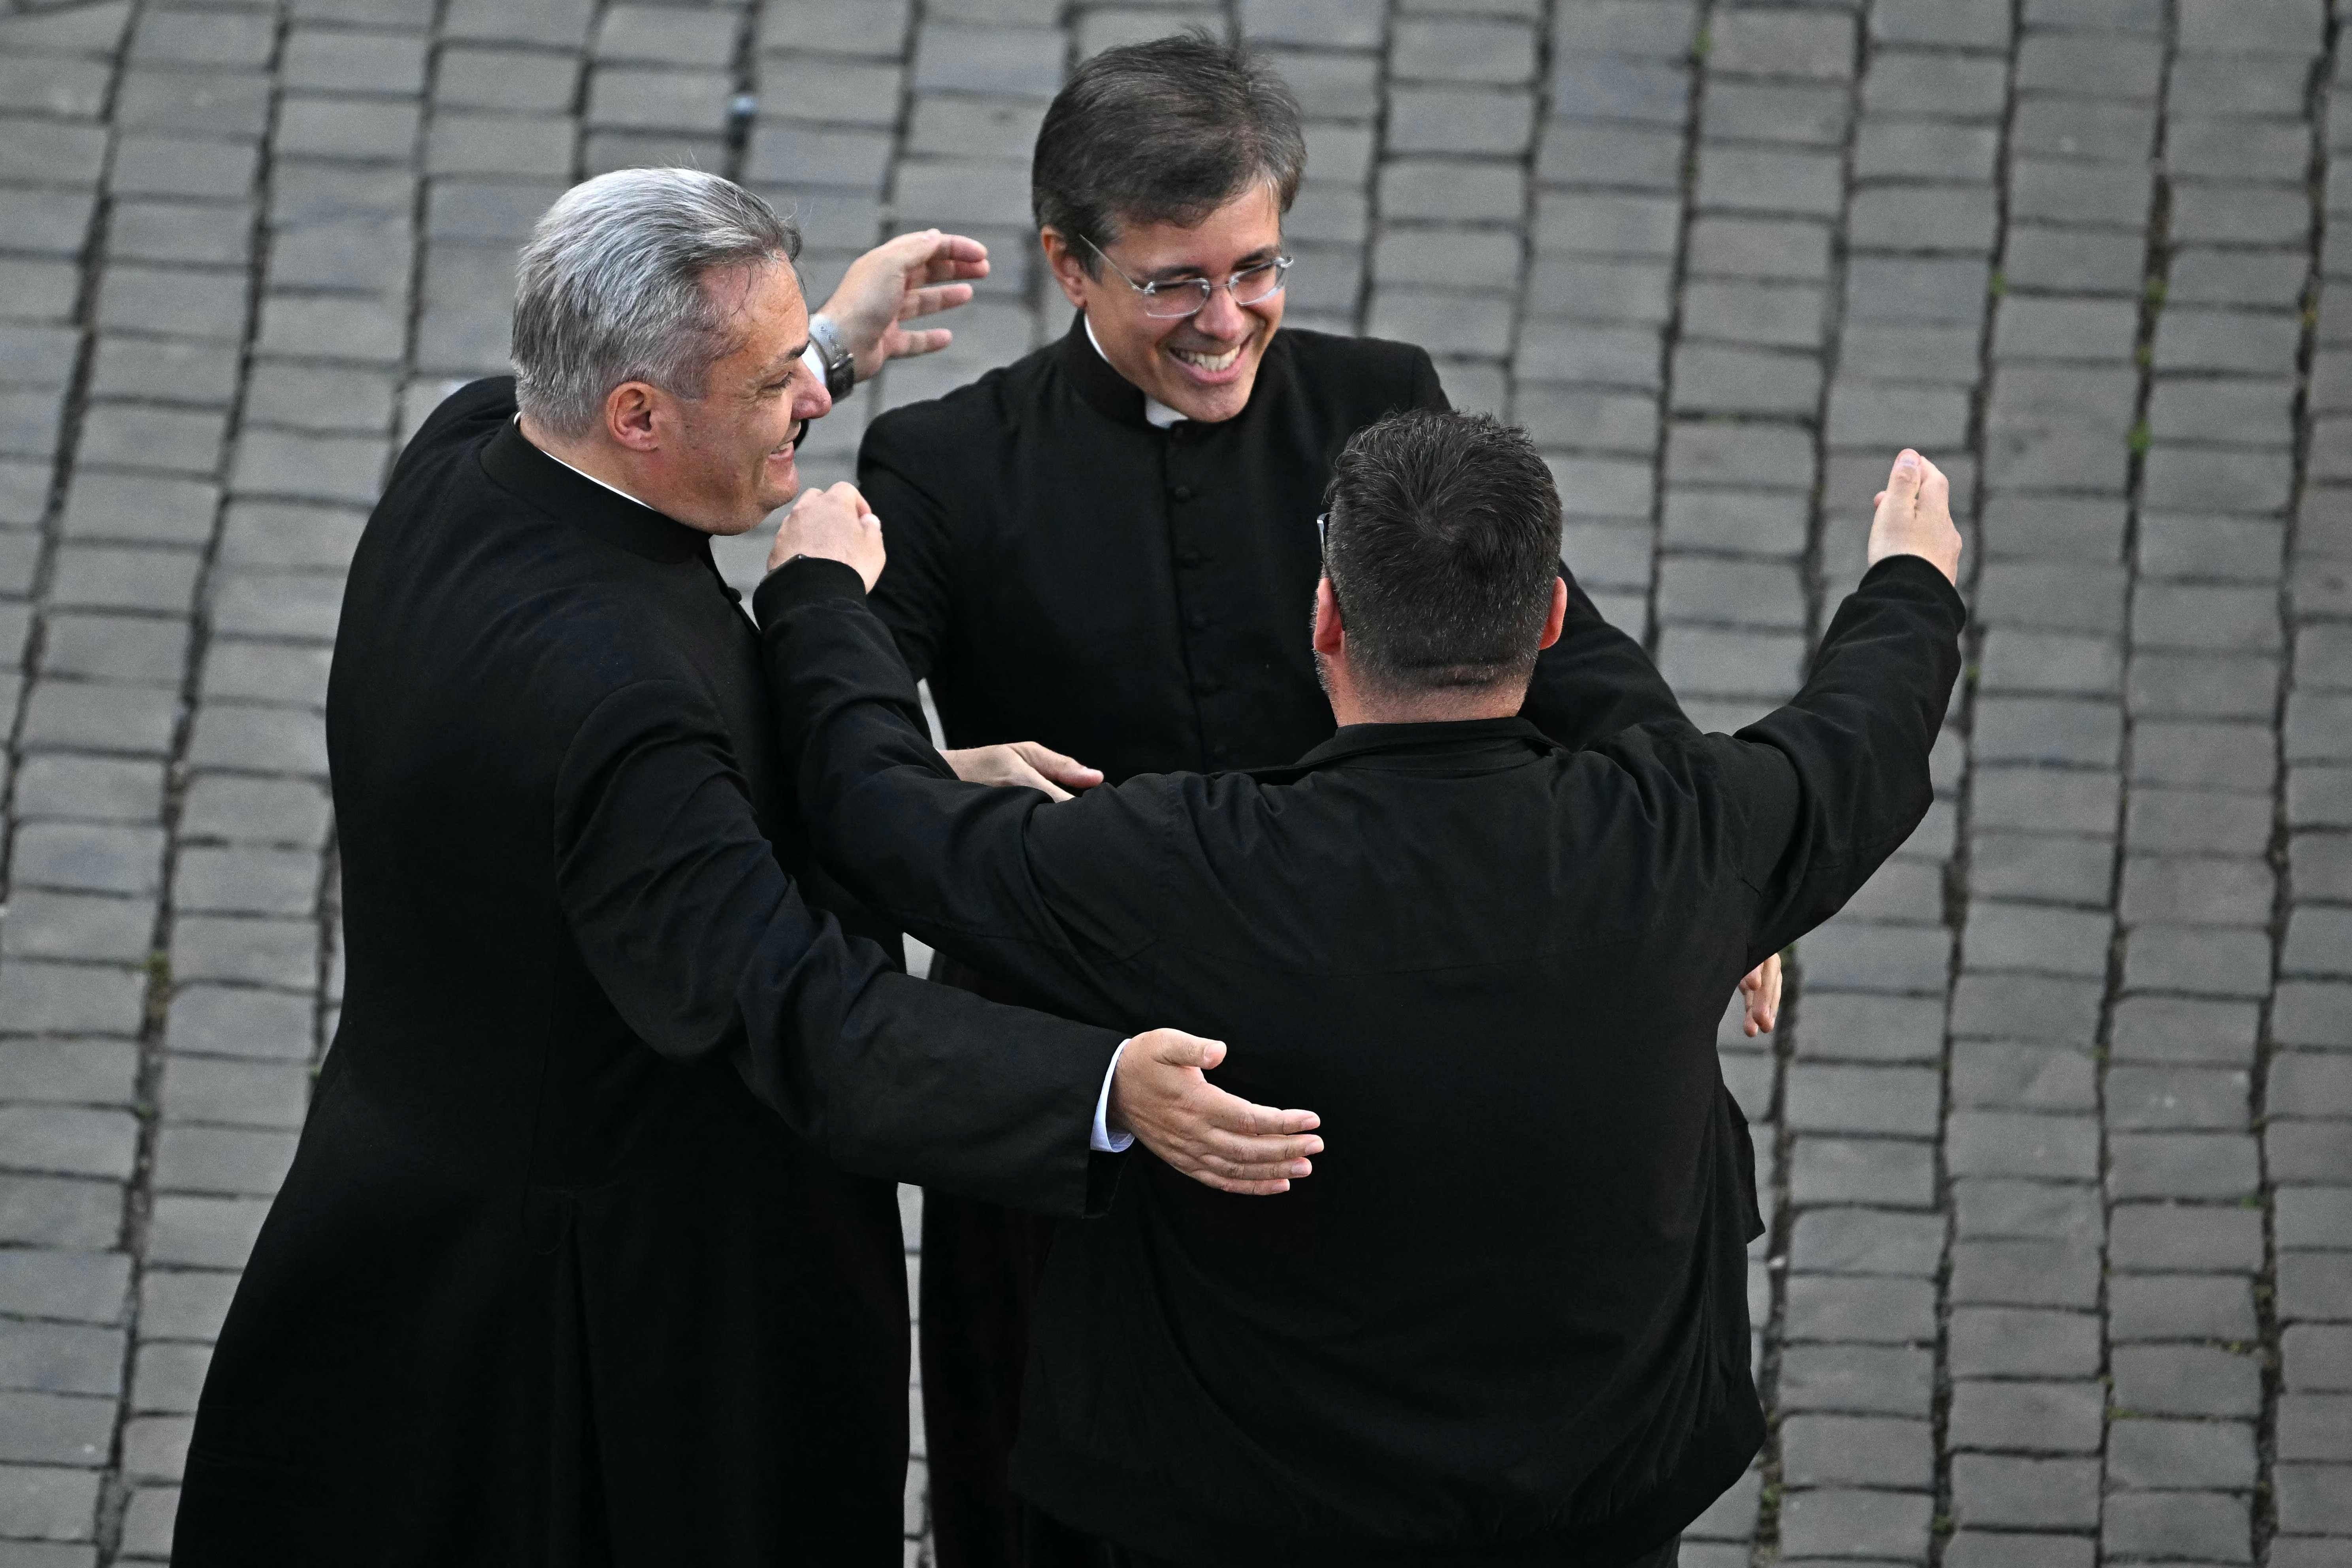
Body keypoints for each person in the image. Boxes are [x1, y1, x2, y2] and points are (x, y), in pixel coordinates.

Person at [172, 169, 1322, 1567]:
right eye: (779, 380)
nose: (811, 410)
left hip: (397, 1204)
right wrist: (1094, 1086)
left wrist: (834, 338)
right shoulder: (621, 706)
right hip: (595, 1317)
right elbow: (801, 1012)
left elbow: (641, 802)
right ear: (640, 414)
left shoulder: (473, 446)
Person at [853, 37, 1779, 1560]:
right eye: (1174, 285)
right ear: (1068, 266)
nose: (1229, 325)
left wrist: (1702, 851)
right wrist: (937, 764)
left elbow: (1576, 651)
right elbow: (835, 700)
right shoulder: (948, 465)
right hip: (1098, 1082)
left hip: (1370, 1028)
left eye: (1256, 268)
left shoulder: (1378, 399)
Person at [755, 412, 1968, 1566]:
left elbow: (886, 819)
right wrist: (1910, 578)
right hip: (1597, 1485)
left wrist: (818, 601)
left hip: (1250, 1507)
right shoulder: (1687, 832)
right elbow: (1863, 730)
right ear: (1550, 621)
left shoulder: (1187, 867)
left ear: (1327, 619)